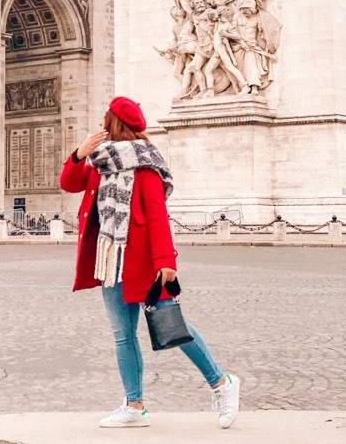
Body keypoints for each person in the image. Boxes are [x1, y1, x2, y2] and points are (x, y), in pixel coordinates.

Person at [60, 96, 240, 429]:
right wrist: (79, 154)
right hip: (110, 260)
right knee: (122, 335)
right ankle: (135, 405)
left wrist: (166, 260)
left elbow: (157, 214)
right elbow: (68, 183)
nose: (99, 127)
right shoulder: (98, 162)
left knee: (173, 327)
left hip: (142, 261)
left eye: (103, 121)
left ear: (113, 124)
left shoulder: (145, 164)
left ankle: (221, 382)